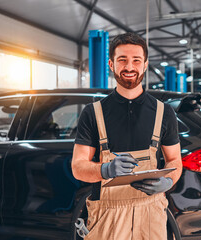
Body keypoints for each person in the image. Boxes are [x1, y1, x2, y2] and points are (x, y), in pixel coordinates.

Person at [71, 32, 182, 240]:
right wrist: (105, 169)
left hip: (152, 213)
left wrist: (168, 180)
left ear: (145, 64)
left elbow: (175, 160)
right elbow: (78, 167)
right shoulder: (93, 113)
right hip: (107, 217)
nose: (129, 67)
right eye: (122, 60)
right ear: (111, 65)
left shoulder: (164, 113)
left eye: (136, 60)